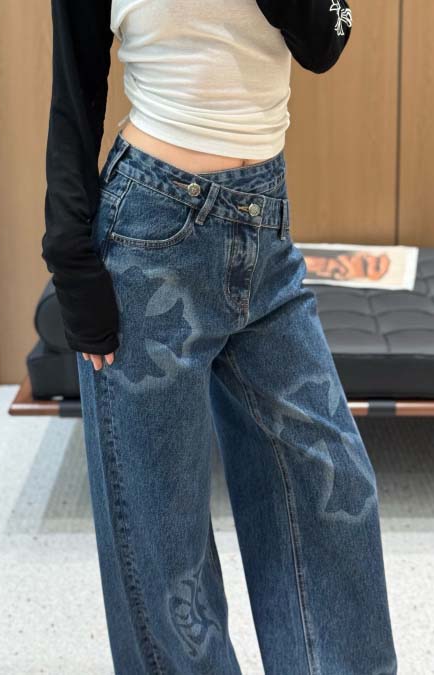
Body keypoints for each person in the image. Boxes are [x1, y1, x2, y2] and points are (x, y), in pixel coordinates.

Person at [42, 1, 398, 673]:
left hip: (266, 228)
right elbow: (75, 88)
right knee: (165, 553)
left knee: (336, 492)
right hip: (150, 235)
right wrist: (70, 259)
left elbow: (326, 41)